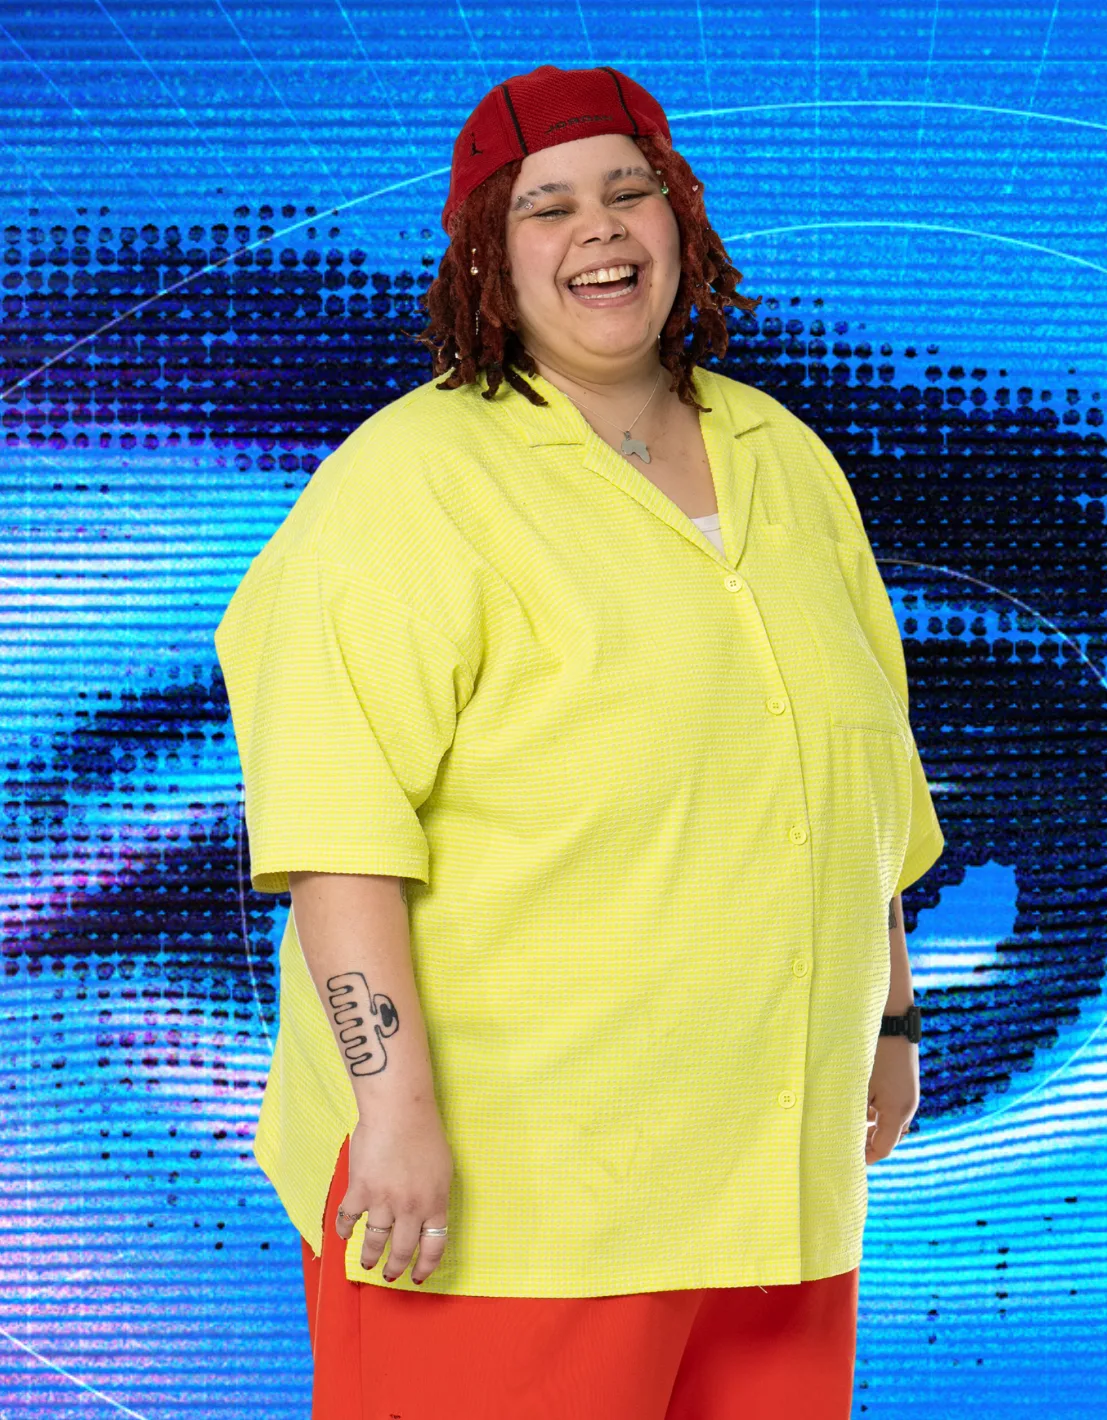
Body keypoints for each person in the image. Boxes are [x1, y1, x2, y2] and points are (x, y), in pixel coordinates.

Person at [214, 63, 944, 1420]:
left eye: (630, 193)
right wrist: (393, 1115)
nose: (598, 230)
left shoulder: (788, 460)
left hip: (772, 1192)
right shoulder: (409, 484)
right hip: (515, 1208)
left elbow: (861, 784)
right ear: (486, 259)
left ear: (682, 221)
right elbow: (335, 828)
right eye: (545, 207)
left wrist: (891, 1025)